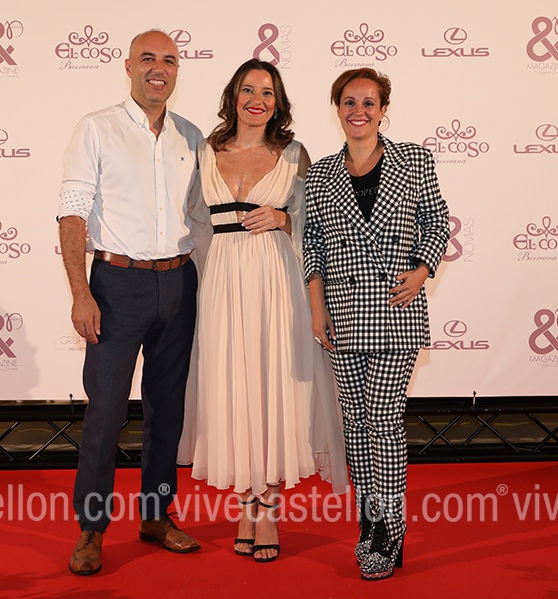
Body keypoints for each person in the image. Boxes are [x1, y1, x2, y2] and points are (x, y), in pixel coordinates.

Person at [178, 59, 348, 563]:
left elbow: (320, 226)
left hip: (278, 283)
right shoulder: (203, 152)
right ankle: (244, 505)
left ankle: (268, 509)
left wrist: (284, 218)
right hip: (222, 285)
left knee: (275, 391)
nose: (257, 100)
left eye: (268, 92)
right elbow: (191, 224)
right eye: (248, 90)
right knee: (232, 389)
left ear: (278, 103)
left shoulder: (294, 154)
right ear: (233, 96)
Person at [57, 29, 207, 576]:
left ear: (177, 71)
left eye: (169, 60)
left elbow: (207, 214)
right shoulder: (96, 128)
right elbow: (72, 213)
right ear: (128, 66)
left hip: (179, 283)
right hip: (116, 286)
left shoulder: (191, 136)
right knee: (106, 412)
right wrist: (81, 293)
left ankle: (156, 515)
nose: (158, 69)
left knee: (168, 410)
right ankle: (92, 528)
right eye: (148, 58)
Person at [303, 68, 450, 580]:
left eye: (369, 102)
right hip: (343, 316)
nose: (359, 110)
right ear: (337, 109)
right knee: (356, 425)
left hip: (395, 312)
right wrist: (317, 308)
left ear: (384, 109)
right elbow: (313, 244)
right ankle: (369, 520)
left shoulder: (414, 160)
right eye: (349, 102)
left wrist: (423, 268)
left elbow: (437, 221)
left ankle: (390, 525)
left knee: (382, 420)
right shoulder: (320, 174)